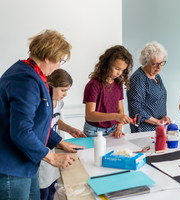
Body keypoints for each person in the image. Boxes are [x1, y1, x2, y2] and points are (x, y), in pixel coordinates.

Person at [0, 30, 83, 199]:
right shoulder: (25, 79)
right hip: (13, 166)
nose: (60, 65)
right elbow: (21, 131)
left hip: (27, 163)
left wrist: (59, 142)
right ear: (48, 56)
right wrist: (51, 157)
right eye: (60, 60)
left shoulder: (36, 76)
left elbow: (39, 122)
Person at [39, 69, 86, 200]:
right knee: (42, 190)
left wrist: (69, 129)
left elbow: (55, 120)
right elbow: (43, 128)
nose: (65, 94)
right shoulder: (42, 103)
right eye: (63, 90)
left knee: (52, 189)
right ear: (50, 85)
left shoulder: (59, 102)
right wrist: (62, 142)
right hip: (42, 152)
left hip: (53, 151)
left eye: (67, 91)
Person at [83, 45, 133, 137]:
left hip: (112, 129)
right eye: (117, 68)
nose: (119, 73)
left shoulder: (118, 85)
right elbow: (90, 115)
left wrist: (119, 127)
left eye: (122, 70)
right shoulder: (93, 85)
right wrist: (115, 116)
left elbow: (120, 110)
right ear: (107, 64)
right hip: (94, 131)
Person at [127, 41, 171, 132]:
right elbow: (136, 111)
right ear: (145, 62)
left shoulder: (156, 75)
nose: (159, 67)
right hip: (143, 130)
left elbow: (158, 101)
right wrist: (157, 121)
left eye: (162, 63)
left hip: (158, 128)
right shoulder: (138, 78)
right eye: (155, 64)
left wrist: (164, 118)